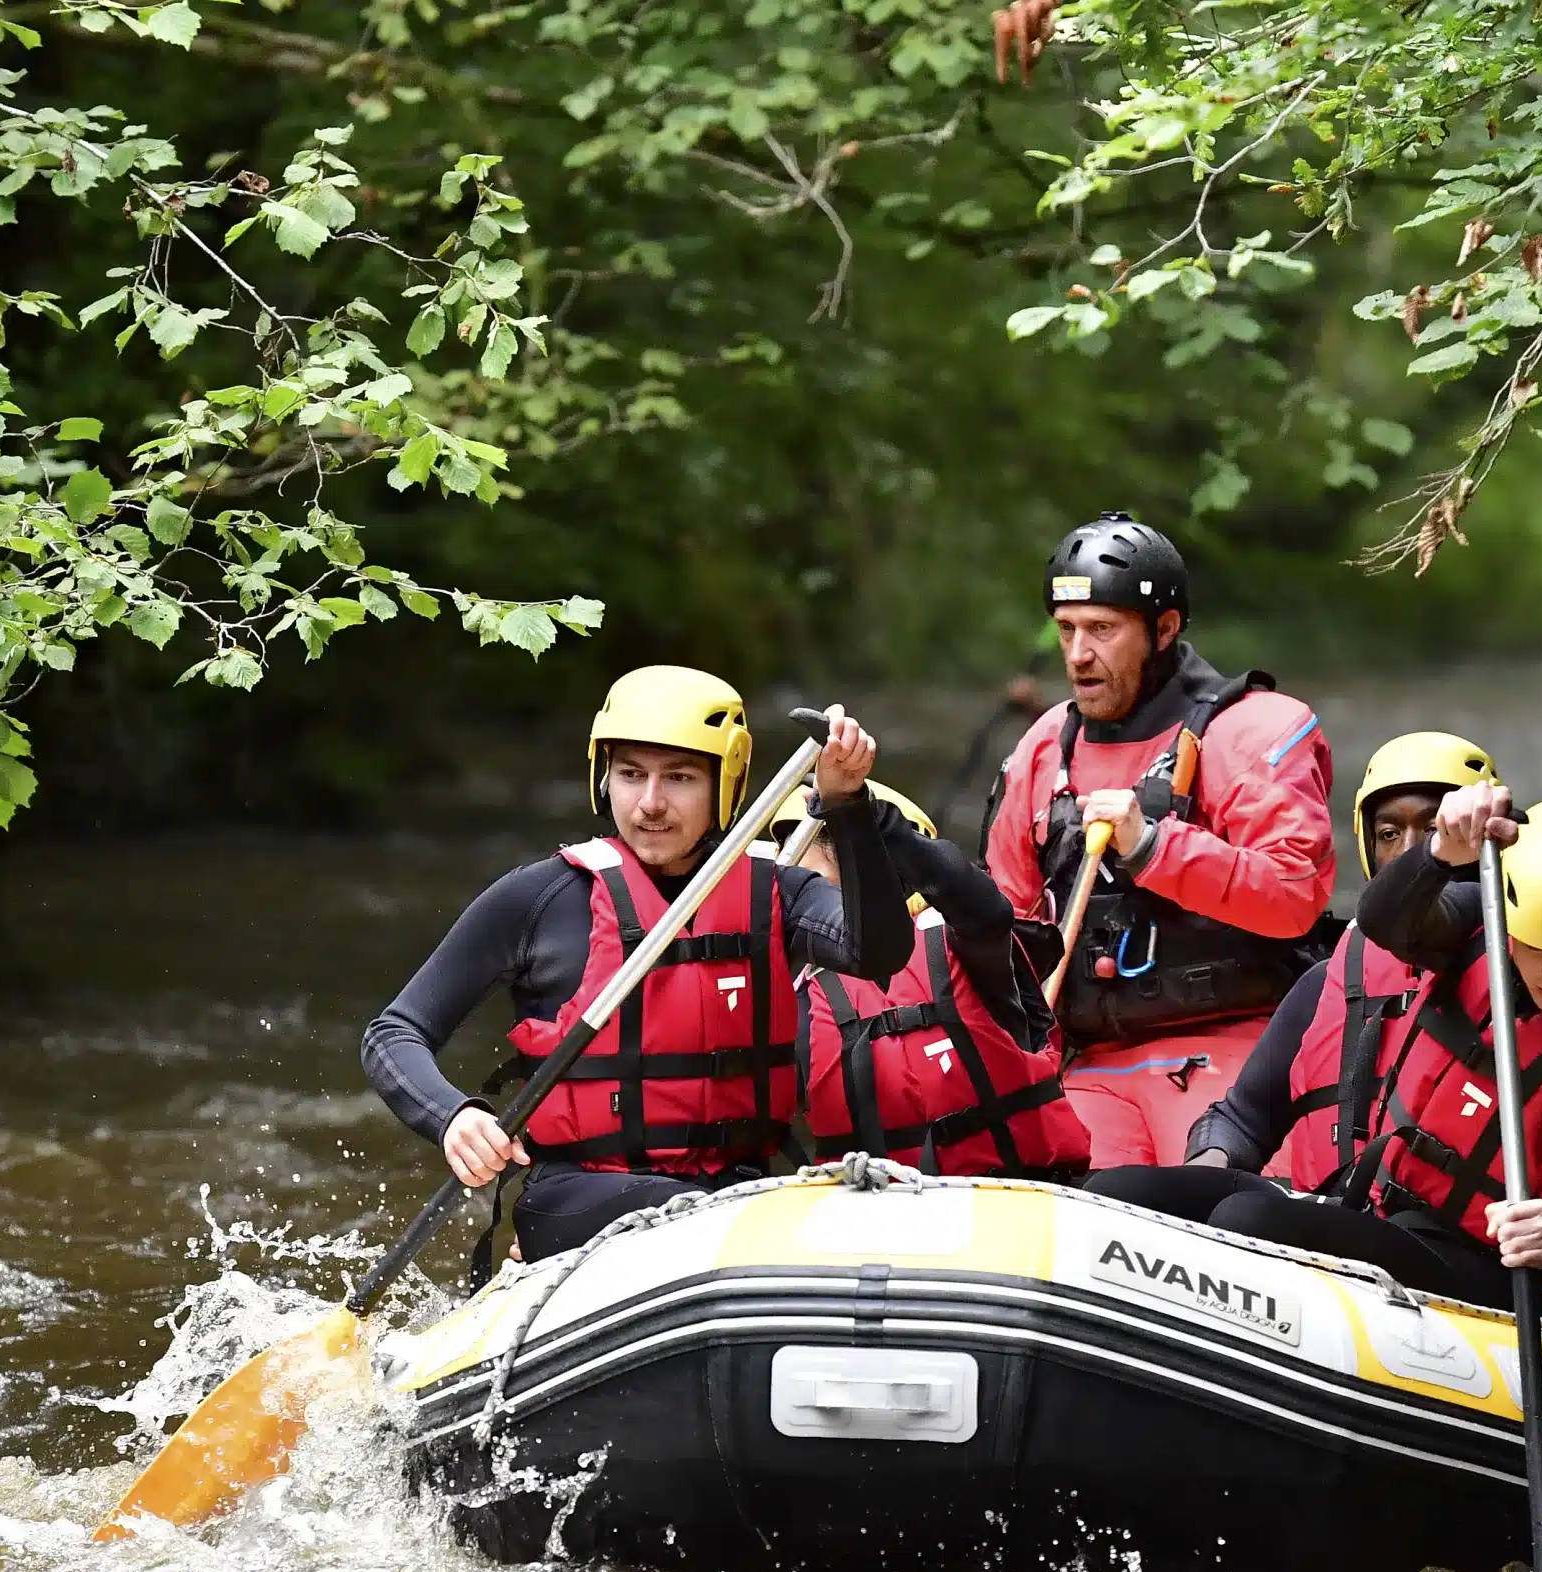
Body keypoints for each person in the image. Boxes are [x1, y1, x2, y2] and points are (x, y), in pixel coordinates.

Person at [361, 668, 913, 1262]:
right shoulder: (539, 899)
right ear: (604, 780)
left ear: (724, 785)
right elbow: (393, 1033)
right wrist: (452, 1117)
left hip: (736, 1192)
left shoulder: (777, 893)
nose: (650, 803)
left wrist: (848, 808)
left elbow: (879, 951)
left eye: (679, 778)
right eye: (630, 775)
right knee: (697, 1215)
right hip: (580, 1196)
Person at [1124, 783, 1542, 1312]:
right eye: (1537, 944)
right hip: (1370, 1206)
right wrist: (1439, 851)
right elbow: (1385, 921)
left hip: (1477, 1267)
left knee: (1247, 1218)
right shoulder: (1473, 929)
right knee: (1126, 1191)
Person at [981, 511, 1337, 1167]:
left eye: (1102, 630)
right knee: (1055, 1184)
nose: (1078, 654)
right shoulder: (1043, 747)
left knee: (1218, 1200)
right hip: (1094, 1065)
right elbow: (1008, 925)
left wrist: (1152, 848)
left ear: (1165, 629)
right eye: (1066, 630)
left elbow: (1294, 897)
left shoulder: (1252, 730)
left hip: (1237, 1050)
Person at [1095, 730, 1502, 1219]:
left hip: (1427, 1230)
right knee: (1118, 1190)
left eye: (1435, 830)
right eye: (1390, 835)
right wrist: (1201, 1179)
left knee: (1246, 1217)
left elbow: (1406, 920)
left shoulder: (1508, 972)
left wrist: (1437, 860)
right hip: (1332, 1211)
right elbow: (1241, 1119)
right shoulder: (1338, 976)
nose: (1410, 850)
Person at [775, 781, 1091, 1178]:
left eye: (811, 886)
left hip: (1006, 1193)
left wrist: (865, 818)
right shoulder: (797, 995)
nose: (799, 906)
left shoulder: (968, 944)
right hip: (871, 1205)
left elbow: (985, 909)